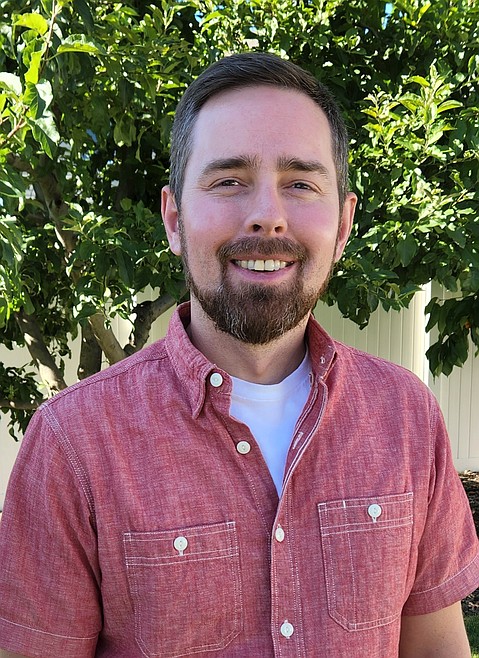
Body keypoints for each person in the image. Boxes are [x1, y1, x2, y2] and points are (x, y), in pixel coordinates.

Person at [0, 52, 478, 658]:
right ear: (174, 219)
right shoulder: (72, 444)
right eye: (228, 181)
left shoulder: (407, 417)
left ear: (344, 223)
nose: (267, 217)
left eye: (301, 183)